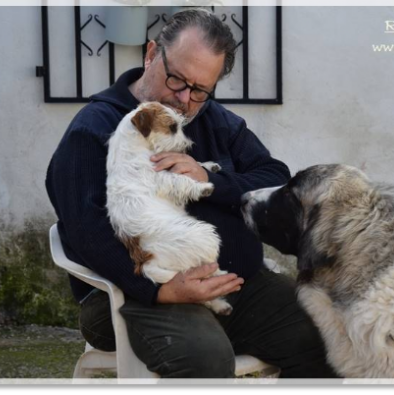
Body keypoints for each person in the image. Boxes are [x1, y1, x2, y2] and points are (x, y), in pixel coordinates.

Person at [46, 8, 338, 378]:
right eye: (176, 80)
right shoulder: (94, 129)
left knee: (333, 335)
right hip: (134, 292)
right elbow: (87, 232)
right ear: (151, 54)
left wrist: (210, 181)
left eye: (200, 90)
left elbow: (274, 178)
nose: (184, 99)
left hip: (238, 284)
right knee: (204, 358)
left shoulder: (216, 120)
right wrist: (158, 290)